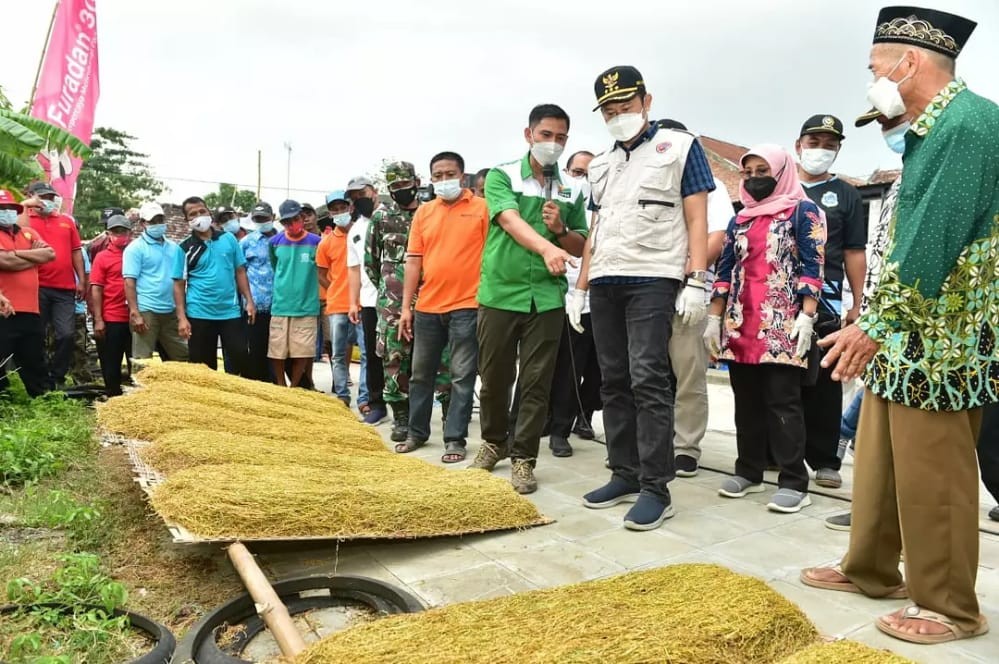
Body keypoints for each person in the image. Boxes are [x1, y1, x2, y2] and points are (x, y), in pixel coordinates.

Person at [801, 6, 997, 645]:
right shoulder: (928, 129)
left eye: (875, 67)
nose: (871, 80)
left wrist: (875, 322)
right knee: (882, 455)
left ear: (908, 62)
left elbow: (936, 233)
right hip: (903, 328)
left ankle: (949, 606)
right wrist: (880, 321)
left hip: (942, 336)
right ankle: (871, 567)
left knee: (933, 469)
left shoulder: (969, 125)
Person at [573, 67, 713, 531]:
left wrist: (697, 278)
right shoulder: (599, 164)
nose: (618, 117)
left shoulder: (680, 147)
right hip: (607, 280)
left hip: (654, 276)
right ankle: (624, 472)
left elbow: (697, 218)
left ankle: (657, 486)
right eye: (609, 111)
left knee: (648, 377)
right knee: (613, 379)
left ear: (646, 101)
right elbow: (596, 227)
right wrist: (581, 286)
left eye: (626, 107)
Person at [470, 103, 588, 495]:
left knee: (536, 382)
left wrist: (560, 228)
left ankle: (524, 458)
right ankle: (493, 441)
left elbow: (580, 243)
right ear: (529, 135)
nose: (552, 144)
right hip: (502, 291)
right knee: (494, 378)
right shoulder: (502, 175)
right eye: (545, 135)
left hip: (548, 299)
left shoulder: (572, 187)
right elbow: (509, 220)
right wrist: (546, 247)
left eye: (560, 138)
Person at [704, 145, 825, 514]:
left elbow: (812, 266)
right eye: (749, 172)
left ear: (781, 171)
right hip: (741, 323)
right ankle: (749, 470)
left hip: (783, 324)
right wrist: (715, 317)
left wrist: (807, 315)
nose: (755, 178)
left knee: (782, 402)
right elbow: (725, 270)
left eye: (763, 170)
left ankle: (793, 480)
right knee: (747, 402)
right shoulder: (740, 218)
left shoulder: (804, 211)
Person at [792, 114, 868, 490]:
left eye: (829, 144)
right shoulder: (781, 186)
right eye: (814, 141)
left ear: (838, 150)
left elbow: (854, 252)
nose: (820, 150)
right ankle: (779, 452)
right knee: (780, 379)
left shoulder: (848, 195)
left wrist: (857, 303)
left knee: (823, 378)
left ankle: (824, 458)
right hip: (781, 296)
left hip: (827, 299)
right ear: (798, 145)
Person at [398, 151, 488, 462]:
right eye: (438, 175)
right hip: (427, 307)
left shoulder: (482, 209)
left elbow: (491, 256)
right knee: (420, 374)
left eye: (450, 174)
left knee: (462, 377)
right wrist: (407, 307)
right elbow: (413, 260)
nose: (444, 180)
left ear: (462, 176)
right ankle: (416, 432)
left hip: (468, 305)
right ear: (431, 178)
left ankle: (455, 439)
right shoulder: (424, 213)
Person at [657, 119, 735, 478]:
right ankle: (650, 442)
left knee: (688, 371)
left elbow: (717, 235)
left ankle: (685, 446)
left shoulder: (712, 184)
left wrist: (693, 275)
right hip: (648, 288)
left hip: (689, 288)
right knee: (646, 372)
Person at [366, 161, 451, 444]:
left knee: (443, 358)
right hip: (392, 301)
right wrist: (392, 284)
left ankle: (449, 415)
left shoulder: (433, 210)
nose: (401, 191)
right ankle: (401, 417)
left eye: (405, 184)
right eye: (395, 187)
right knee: (394, 357)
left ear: (416, 181)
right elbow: (371, 262)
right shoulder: (381, 216)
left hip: (433, 294)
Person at [547, 148, 600, 456]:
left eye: (590, 174)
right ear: (566, 173)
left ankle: (561, 430)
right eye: (578, 172)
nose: (583, 179)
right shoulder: (557, 200)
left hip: (588, 301)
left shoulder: (603, 203)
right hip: (552, 294)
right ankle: (543, 419)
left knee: (574, 367)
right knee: (545, 366)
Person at [173, 196, 255, 373]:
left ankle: (239, 399)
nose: (199, 216)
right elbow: (179, 284)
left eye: (202, 211)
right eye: (193, 214)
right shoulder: (184, 248)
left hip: (230, 311)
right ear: (187, 220)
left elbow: (240, 271)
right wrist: (182, 318)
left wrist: (249, 301)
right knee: (203, 368)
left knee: (240, 357)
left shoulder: (229, 239)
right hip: (199, 313)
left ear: (209, 212)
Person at [24, 181, 85, 390]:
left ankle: (57, 376)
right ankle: (39, 378)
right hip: (36, 286)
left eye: (51, 197)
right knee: (37, 334)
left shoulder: (66, 221)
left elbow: (76, 251)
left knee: (66, 334)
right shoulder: (24, 221)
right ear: (32, 197)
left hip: (65, 288)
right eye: (43, 197)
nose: (47, 201)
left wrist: (82, 280)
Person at [0, 190, 55, 397]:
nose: (6, 212)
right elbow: (4, 262)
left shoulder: (28, 233)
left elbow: (50, 254)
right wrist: (33, 256)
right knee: (1, 357)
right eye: (1, 209)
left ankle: (42, 397)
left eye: (9, 209)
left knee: (34, 358)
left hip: (30, 308)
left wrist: (13, 255)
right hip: (4, 309)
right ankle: (4, 401)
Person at [318, 190, 370, 410]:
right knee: (338, 353)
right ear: (330, 213)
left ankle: (365, 398)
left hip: (363, 302)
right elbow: (320, 272)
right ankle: (342, 394)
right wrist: (335, 290)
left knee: (367, 353)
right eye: (334, 209)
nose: (339, 212)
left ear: (351, 207)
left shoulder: (364, 232)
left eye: (342, 208)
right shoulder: (326, 243)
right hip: (338, 305)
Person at [122, 202, 189, 362]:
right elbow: (129, 282)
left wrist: (182, 314)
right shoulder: (135, 248)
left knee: (183, 357)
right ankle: (141, 388)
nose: (158, 224)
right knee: (142, 360)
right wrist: (134, 312)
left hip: (171, 309)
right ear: (143, 223)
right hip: (147, 311)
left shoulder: (175, 248)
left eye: (160, 219)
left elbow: (180, 282)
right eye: (153, 221)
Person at [346, 177, 387, 423]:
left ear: (374, 192)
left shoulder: (392, 217)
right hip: (370, 300)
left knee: (403, 354)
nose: (358, 199)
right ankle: (376, 403)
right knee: (372, 355)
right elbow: (353, 269)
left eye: (362, 193)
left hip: (398, 298)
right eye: (353, 196)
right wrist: (353, 302)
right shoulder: (355, 230)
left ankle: (408, 406)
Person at [267, 200, 321, 387]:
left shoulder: (316, 242)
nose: (292, 224)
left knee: (303, 351)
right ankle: (281, 384)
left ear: (302, 218)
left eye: (296, 219)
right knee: (277, 350)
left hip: (306, 305)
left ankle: (295, 386)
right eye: (287, 222)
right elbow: (276, 266)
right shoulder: (274, 242)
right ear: (282, 223)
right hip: (281, 305)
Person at [90, 215, 133, 396]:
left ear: (130, 233)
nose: (120, 235)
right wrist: (98, 319)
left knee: (136, 361)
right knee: (111, 362)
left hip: (135, 316)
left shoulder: (136, 252)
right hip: (112, 317)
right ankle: (113, 397)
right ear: (108, 234)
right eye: (116, 232)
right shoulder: (102, 257)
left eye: (123, 231)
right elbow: (96, 289)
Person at [240, 202, 278, 381]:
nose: (261, 222)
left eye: (264, 218)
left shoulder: (283, 240)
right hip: (255, 307)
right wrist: (248, 302)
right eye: (257, 219)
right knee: (257, 349)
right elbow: (240, 273)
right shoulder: (246, 243)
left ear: (273, 217)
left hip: (280, 305)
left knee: (279, 351)